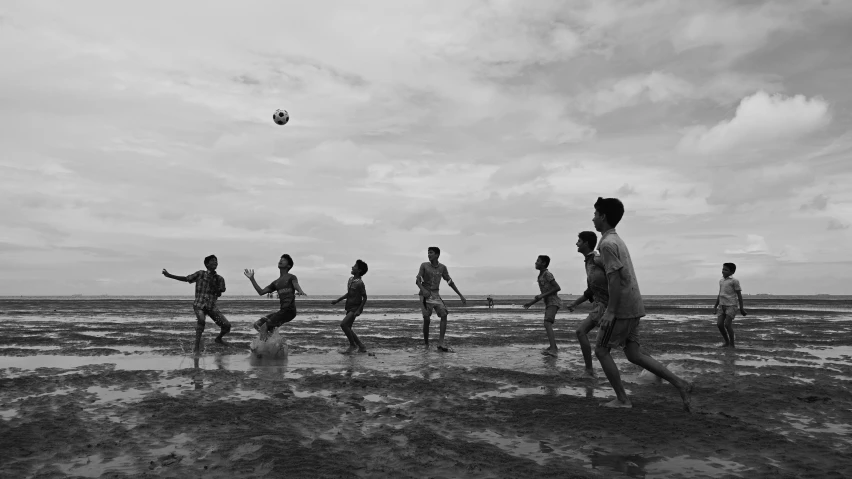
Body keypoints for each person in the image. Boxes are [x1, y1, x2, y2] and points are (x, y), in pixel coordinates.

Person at [592, 197, 693, 411]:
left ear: (602, 216)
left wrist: (610, 311)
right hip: (634, 305)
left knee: (601, 351)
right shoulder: (616, 241)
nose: (593, 218)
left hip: (622, 309)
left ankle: (622, 399)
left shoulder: (607, 244)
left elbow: (615, 278)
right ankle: (680, 383)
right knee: (633, 354)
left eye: (595, 214)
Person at [162, 255, 230, 355]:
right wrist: (169, 275)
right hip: (199, 305)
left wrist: (214, 285)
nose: (215, 262)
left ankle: (219, 339)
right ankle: (196, 347)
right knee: (201, 320)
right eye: (212, 261)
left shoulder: (219, 278)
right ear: (207, 264)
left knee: (227, 326)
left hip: (211, 306)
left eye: (216, 261)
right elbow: (186, 279)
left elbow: (219, 293)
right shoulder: (200, 274)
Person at [565, 231, 609, 378]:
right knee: (631, 349)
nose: (576, 243)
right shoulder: (588, 261)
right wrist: (575, 304)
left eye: (579, 241)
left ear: (585, 243)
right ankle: (589, 370)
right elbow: (591, 290)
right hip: (599, 306)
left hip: (608, 307)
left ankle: (589, 370)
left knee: (631, 349)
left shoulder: (597, 259)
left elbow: (614, 276)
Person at [416, 246, 467, 351]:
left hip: (436, 295)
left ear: (437, 255)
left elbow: (449, 281)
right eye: (428, 253)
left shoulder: (442, 268)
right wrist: (423, 290)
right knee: (427, 319)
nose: (429, 255)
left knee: (444, 314)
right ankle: (426, 344)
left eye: (431, 253)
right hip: (425, 296)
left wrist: (460, 295)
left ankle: (440, 343)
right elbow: (418, 280)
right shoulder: (424, 266)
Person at [244, 254, 306, 338]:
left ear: (288, 265)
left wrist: (300, 290)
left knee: (264, 327)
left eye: (283, 260)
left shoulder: (291, 277)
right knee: (257, 325)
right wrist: (252, 279)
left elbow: (295, 284)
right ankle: (275, 343)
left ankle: (268, 346)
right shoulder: (276, 282)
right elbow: (261, 292)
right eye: (280, 259)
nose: (280, 261)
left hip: (289, 311)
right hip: (282, 311)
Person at [523, 255, 563, 357]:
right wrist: (530, 303)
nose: (535, 263)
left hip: (553, 302)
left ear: (543, 263)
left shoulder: (547, 274)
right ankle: (552, 346)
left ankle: (553, 349)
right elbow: (541, 295)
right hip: (548, 303)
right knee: (547, 323)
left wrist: (542, 295)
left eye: (538, 261)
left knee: (547, 323)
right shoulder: (540, 276)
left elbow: (557, 287)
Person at [331, 259, 369, 354]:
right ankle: (361, 346)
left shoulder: (360, 283)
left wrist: (359, 310)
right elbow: (349, 293)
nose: (352, 267)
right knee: (348, 327)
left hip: (355, 308)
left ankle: (353, 345)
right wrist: (338, 300)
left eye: (355, 266)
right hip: (349, 306)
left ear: (359, 270)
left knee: (343, 325)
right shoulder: (350, 280)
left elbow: (364, 297)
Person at [714, 262, 747, 348]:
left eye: (726, 270)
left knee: (727, 324)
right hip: (722, 305)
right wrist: (715, 305)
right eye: (723, 269)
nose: (723, 271)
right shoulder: (721, 281)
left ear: (732, 272)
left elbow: (739, 295)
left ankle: (732, 344)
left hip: (731, 305)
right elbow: (720, 293)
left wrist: (741, 308)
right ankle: (726, 342)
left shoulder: (734, 281)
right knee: (719, 324)